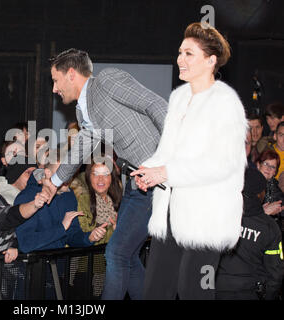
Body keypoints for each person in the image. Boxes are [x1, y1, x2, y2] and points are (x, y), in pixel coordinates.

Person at [133, 22, 248, 300]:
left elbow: (223, 164)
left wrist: (166, 172)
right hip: (171, 212)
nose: (180, 59)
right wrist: (149, 169)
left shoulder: (225, 103)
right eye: (180, 52)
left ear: (211, 61)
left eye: (188, 54)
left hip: (207, 218)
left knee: (193, 291)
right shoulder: (179, 97)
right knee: (154, 291)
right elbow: (167, 151)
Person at [41, 48, 167, 300]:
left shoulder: (107, 80)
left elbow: (156, 104)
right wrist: (53, 182)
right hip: (135, 183)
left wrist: (168, 160)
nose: (54, 89)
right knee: (124, 255)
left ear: (71, 74)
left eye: (55, 80)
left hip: (157, 180)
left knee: (118, 253)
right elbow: (79, 151)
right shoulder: (82, 112)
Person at [216, 167, 284, 300]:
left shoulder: (220, 216)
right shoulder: (269, 227)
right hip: (251, 292)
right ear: (260, 193)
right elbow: (275, 272)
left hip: (217, 289)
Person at [78, 158, 121, 245]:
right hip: (92, 255)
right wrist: (91, 237)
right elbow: (78, 237)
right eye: (96, 174)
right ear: (89, 177)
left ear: (112, 177)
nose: (100, 179)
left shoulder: (121, 199)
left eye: (105, 174)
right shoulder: (82, 200)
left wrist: (122, 231)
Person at [255, 150, 284, 223]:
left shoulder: (274, 187)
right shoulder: (247, 182)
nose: (268, 169)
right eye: (266, 164)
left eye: (272, 167)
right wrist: (263, 211)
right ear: (258, 165)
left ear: (275, 172)